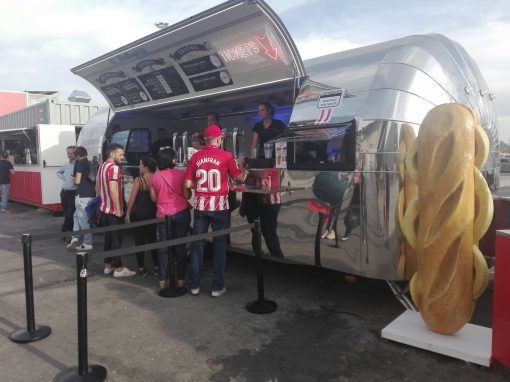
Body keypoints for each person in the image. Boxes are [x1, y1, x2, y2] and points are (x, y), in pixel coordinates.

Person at [184, 125, 245, 297]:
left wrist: (188, 195)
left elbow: (187, 185)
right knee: (219, 247)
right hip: (220, 208)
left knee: (198, 246)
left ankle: (194, 285)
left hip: (201, 208)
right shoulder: (226, 156)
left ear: (205, 139)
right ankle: (217, 287)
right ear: (219, 139)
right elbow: (239, 178)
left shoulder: (195, 156)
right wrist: (242, 167)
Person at [244, 101, 286, 257]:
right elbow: (254, 145)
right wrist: (253, 159)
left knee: (267, 222)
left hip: (277, 161)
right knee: (259, 221)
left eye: (262, 110)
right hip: (263, 161)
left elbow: (285, 142)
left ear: (269, 111)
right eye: (259, 110)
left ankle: (272, 251)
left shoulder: (279, 124)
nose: (260, 112)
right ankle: (258, 251)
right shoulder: (257, 126)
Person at [151, 149, 191, 290]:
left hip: (163, 215)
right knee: (180, 246)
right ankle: (181, 279)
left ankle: (163, 280)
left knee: (163, 247)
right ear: (173, 160)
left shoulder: (155, 177)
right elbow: (187, 195)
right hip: (181, 213)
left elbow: (153, 198)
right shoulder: (181, 174)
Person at [97, 143, 136, 278]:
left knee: (108, 238)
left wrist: (103, 200)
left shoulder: (102, 166)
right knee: (116, 240)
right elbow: (113, 190)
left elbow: (97, 188)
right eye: (120, 154)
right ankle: (119, 269)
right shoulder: (113, 168)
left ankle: (108, 266)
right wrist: (118, 209)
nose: (122, 157)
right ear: (112, 154)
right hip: (113, 211)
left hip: (103, 209)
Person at [125, 156, 158, 276]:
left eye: (140, 164)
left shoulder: (139, 180)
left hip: (139, 214)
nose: (139, 166)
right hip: (153, 213)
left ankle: (141, 267)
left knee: (139, 241)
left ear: (146, 167)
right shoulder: (156, 178)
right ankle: (156, 265)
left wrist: (128, 213)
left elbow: (132, 198)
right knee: (153, 240)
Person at [67, 147, 95, 251]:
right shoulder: (90, 162)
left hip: (82, 194)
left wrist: (74, 179)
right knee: (76, 216)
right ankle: (75, 238)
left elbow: (77, 181)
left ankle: (87, 243)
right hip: (90, 193)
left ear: (77, 155)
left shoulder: (79, 163)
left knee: (83, 220)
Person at [57, 146, 77, 233]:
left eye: (71, 153)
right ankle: (70, 229)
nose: (69, 155)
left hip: (73, 192)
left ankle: (64, 229)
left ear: (76, 153)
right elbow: (58, 172)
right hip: (64, 191)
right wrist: (64, 177)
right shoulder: (66, 165)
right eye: (68, 153)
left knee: (71, 213)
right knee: (66, 213)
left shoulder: (78, 164)